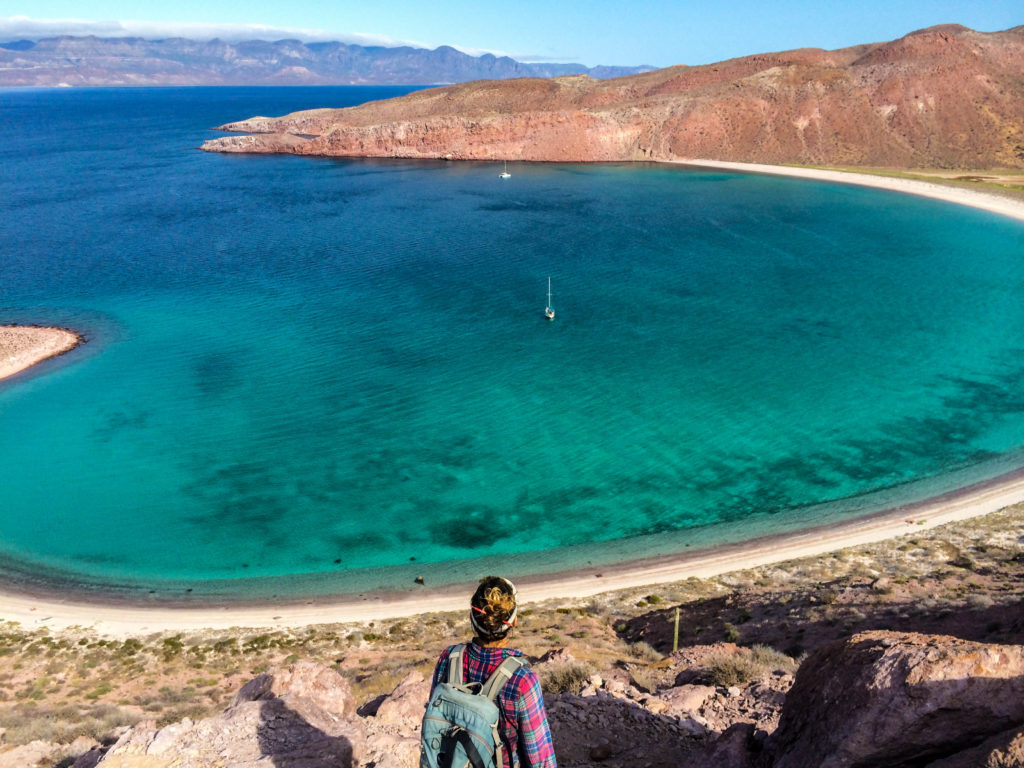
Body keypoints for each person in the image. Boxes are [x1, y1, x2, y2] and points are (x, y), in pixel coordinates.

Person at [427, 576, 557, 768]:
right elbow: (539, 757)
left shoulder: (449, 657)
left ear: (472, 617)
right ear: (513, 622)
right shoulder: (522, 680)